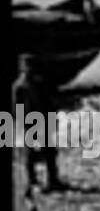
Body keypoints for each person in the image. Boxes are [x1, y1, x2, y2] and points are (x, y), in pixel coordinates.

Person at [13, 54, 62, 194]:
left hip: (39, 120)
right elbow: (17, 106)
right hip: (33, 121)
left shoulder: (25, 85)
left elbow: (50, 102)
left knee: (46, 151)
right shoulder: (23, 86)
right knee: (35, 153)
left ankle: (47, 180)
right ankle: (38, 181)